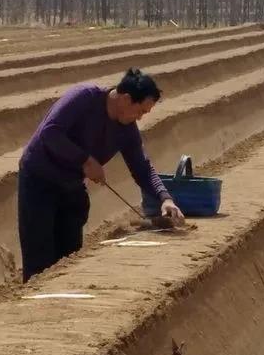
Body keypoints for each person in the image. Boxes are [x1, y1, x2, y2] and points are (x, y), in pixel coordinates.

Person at [18, 67, 184, 283]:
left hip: (71, 184)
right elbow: (50, 132)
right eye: (141, 111)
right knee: (39, 256)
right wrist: (85, 160)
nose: (141, 118)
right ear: (125, 99)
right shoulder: (83, 98)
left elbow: (142, 167)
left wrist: (165, 198)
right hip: (39, 180)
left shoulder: (127, 129)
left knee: (69, 256)